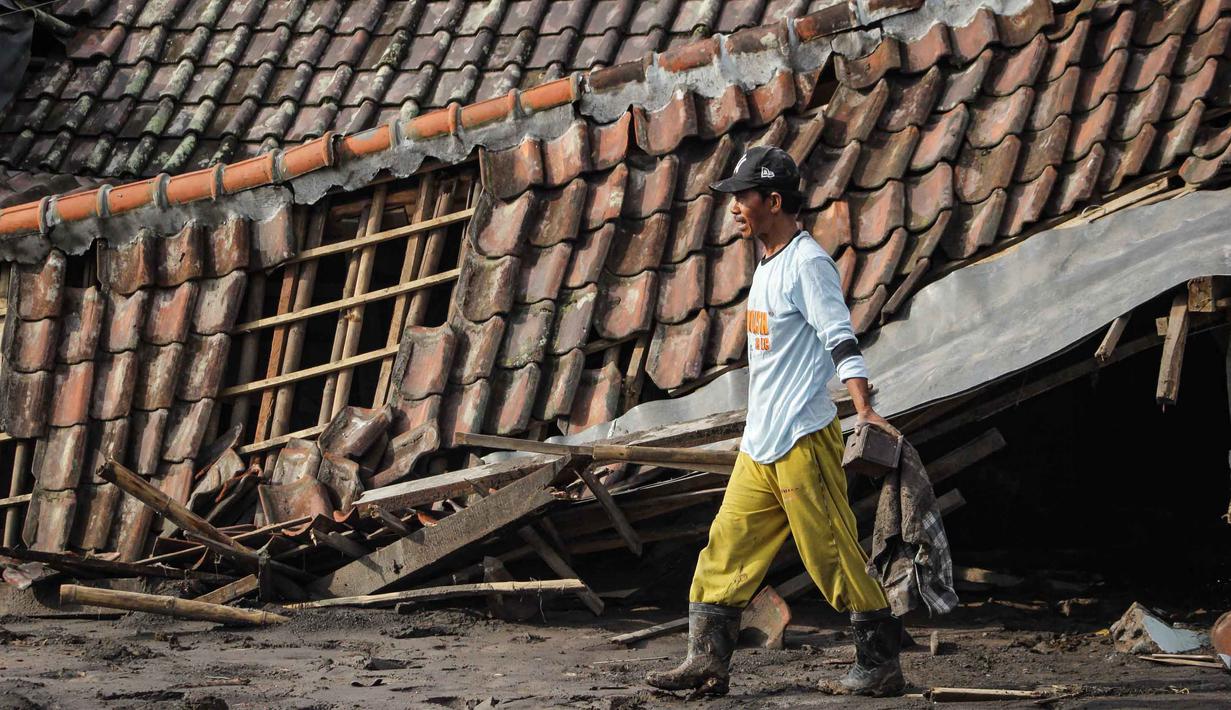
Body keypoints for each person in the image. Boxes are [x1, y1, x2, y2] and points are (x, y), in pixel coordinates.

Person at [644, 146, 907, 698]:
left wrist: (862, 408)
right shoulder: (768, 262)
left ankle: (879, 663)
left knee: (831, 555)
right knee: (725, 550)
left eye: (742, 197)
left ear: (774, 201)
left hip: (802, 438)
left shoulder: (808, 263)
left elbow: (839, 335)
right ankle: (706, 663)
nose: (734, 207)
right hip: (760, 443)